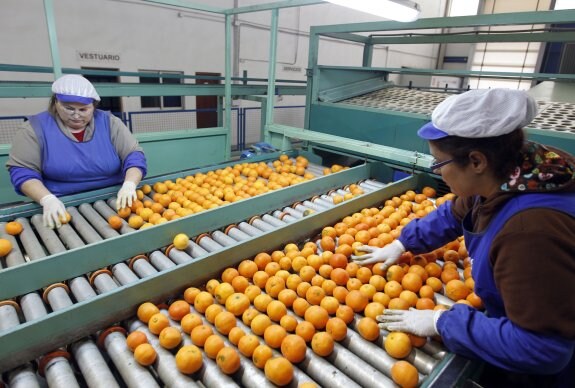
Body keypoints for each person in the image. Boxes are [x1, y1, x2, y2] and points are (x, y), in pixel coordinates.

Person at [351, 89, 575, 387]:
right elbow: (458, 211)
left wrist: (443, 322)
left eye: (439, 163)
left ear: (476, 161)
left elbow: (544, 349)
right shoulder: (521, 169)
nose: (437, 173)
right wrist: (403, 242)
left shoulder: (528, 231)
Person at [6, 74, 147, 228]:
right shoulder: (34, 129)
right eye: (69, 108)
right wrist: (47, 199)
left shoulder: (110, 123)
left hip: (116, 200)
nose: (76, 115)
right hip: (61, 205)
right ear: (55, 103)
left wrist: (129, 184)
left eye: (83, 109)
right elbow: (23, 171)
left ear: (93, 106)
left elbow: (133, 155)